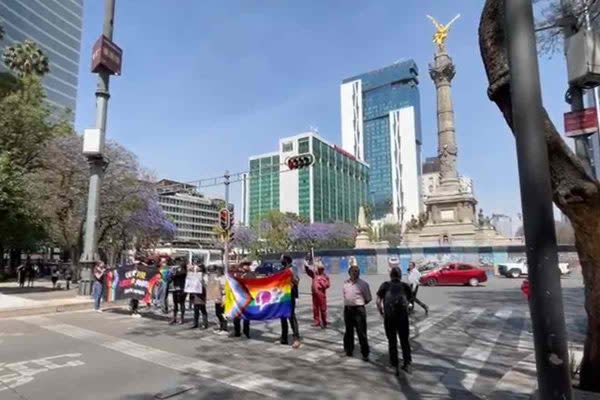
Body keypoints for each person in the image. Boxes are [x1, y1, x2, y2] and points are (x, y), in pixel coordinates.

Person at [377, 266, 414, 375]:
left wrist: (381, 312)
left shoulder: (385, 285)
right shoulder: (405, 286)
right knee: (404, 340)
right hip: (402, 318)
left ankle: (394, 363)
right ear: (400, 275)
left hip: (389, 318)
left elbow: (378, 301)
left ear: (391, 275)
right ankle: (407, 363)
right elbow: (410, 302)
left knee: (392, 340)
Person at [343, 258, 372, 361]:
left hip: (359, 310)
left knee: (361, 332)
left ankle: (365, 353)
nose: (355, 273)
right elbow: (345, 296)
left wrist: (359, 304)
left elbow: (368, 298)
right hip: (347, 310)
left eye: (357, 271)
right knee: (349, 331)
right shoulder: (345, 283)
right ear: (349, 272)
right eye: (353, 271)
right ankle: (349, 350)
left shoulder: (363, 284)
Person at [279, 255, 301, 348]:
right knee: (282, 316)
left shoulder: (293, 269)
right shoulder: (281, 269)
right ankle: (284, 338)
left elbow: (296, 280)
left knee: (291, 316)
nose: (281, 262)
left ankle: (296, 338)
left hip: (290, 295)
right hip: (282, 295)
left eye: (282, 260)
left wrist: (290, 275)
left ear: (287, 261)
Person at [304, 257, 330, 328]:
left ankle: (324, 322)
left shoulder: (325, 276)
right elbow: (308, 271)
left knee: (323, 309)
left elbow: (327, 285)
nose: (319, 270)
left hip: (321, 294)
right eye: (318, 268)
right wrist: (306, 265)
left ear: (323, 269)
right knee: (315, 308)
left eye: (320, 268)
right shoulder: (314, 275)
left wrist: (321, 283)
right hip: (314, 294)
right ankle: (317, 321)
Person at [232, 262, 252, 338]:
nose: (246, 267)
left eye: (247, 266)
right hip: (238, 298)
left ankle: (246, 332)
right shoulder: (237, 274)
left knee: (246, 317)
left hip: (247, 298)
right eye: (244, 265)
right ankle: (237, 331)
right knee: (236, 316)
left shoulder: (251, 275)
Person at [187, 263, 209, 329]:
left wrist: (201, 282)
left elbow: (206, 285)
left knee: (202, 309)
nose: (197, 270)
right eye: (196, 269)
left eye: (199, 269)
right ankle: (195, 323)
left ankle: (205, 324)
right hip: (195, 293)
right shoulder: (195, 275)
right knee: (195, 309)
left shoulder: (205, 276)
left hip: (201, 293)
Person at [169, 260, 187, 325]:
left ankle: (181, 318)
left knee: (182, 303)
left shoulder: (184, 272)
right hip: (175, 288)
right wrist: (172, 272)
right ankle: (174, 318)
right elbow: (171, 278)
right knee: (175, 304)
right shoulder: (176, 271)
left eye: (179, 264)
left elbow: (178, 275)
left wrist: (174, 271)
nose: (177, 265)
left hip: (182, 289)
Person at [213, 266, 228, 335]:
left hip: (223, 297)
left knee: (223, 313)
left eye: (217, 271)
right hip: (217, 297)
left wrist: (221, 288)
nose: (216, 272)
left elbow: (226, 288)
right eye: (215, 271)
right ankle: (220, 327)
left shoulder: (225, 278)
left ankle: (224, 329)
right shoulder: (216, 278)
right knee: (217, 312)